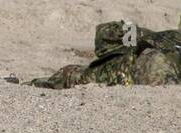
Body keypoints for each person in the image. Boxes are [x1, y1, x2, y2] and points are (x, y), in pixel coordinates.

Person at [32, 20, 181, 89]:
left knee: (76, 76)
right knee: (73, 76)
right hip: (138, 66)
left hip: (138, 66)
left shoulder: (164, 39)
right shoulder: (164, 39)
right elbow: (106, 34)